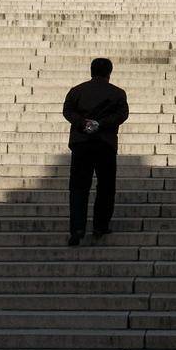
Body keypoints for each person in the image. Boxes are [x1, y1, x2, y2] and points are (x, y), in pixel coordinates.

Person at [63, 57, 129, 246]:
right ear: (109, 72)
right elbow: (122, 114)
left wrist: (82, 123)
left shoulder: (77, 91)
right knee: (106, 186)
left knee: (78, 187)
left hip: (81, 143)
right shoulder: (117, 93)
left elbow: (67, 111)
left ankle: (77, 228)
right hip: (105, 143)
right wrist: (101, 124)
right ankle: (100, 225)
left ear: (91, 71)